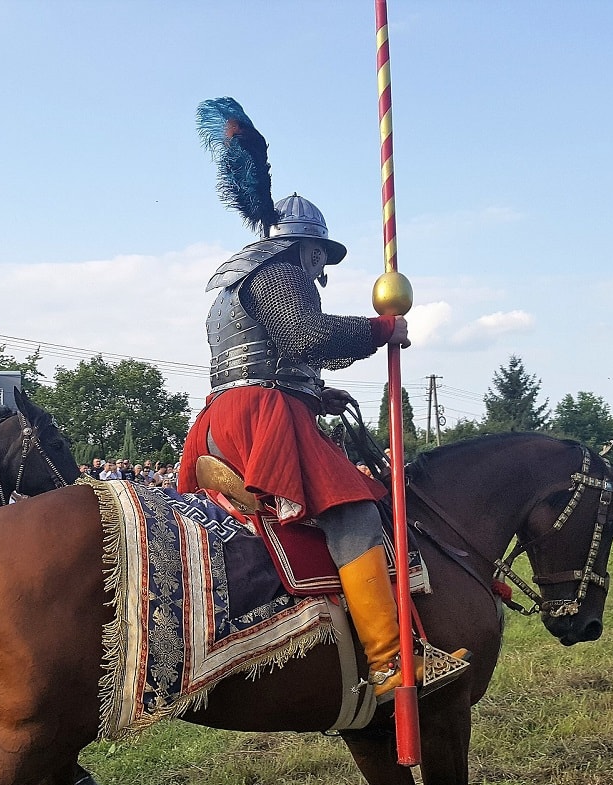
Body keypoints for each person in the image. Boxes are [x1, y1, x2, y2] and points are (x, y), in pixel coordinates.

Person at [177, 100, 430, 698]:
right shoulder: (282, 273)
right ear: (306, 248)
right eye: (321, 255)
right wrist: (379, 331)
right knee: (352, 511)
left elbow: (273, 355)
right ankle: (390, 659)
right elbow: (305, 336)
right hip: (259, 416)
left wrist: (318, 392)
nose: (322, 268)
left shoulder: (240, 281)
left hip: (225, 414)